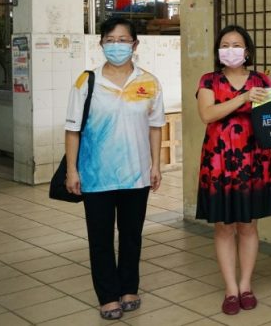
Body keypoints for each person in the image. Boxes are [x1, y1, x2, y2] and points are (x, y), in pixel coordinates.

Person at [64, 17, 164, 320]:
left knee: (132, 235)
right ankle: (108, 296)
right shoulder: (87, 82)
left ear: (135, 44)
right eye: (110, 40)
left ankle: (129, 288)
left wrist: (156, 165)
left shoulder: (149, 82)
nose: (116, 45)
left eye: (123, 40)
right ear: (101, 44)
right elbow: (72, 130)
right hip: (97, 175)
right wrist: (72, 170)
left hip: (137, 174)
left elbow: (155, 126)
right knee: (101, 238)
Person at [196, 25, 271, 315]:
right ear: (218, 50)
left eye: (236, 44)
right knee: (223, 226)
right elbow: (208, 114)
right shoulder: (209, 80)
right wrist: (243, 98)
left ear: (247, 50)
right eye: (225, 45)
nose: (230, 50)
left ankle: (246, 285)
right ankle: (230, 289)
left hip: (253, 159)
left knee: (248, 224)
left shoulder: (262, 80)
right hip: (218, 162)